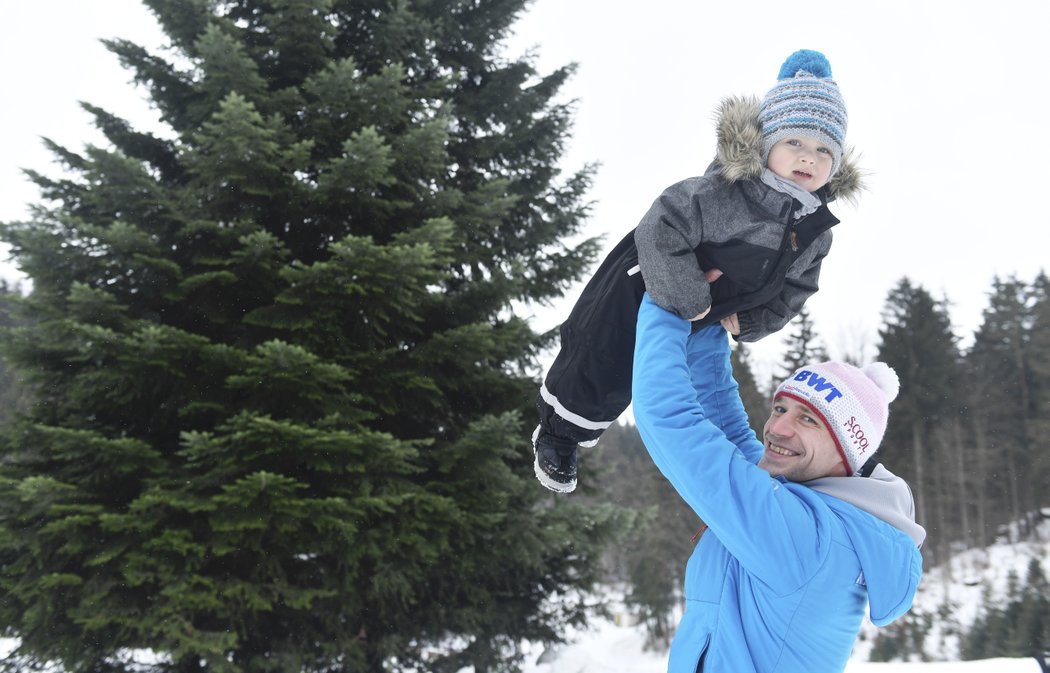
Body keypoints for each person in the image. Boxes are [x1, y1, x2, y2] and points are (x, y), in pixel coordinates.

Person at [534, 49, 862, 493]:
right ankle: (559, 435)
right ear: (766, 145)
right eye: (795, 143)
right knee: (602, 363)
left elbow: (798, 286)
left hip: (711, 313)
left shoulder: (815, 229)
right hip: (646, 284)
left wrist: (754, 320)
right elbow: (660, 225)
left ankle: (741, 485)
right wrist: (687, 295)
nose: (809, 158)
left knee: (699, 394)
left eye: (824, 149)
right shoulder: (723, 192)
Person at [632, 293, 925, 673]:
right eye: (780, 408)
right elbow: (721, 417)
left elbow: (668, 419)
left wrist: (669, 299)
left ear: (845, 452)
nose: (776, 429)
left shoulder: (806, 537)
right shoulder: (816, 513)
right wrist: (707, 317)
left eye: (808, 420)